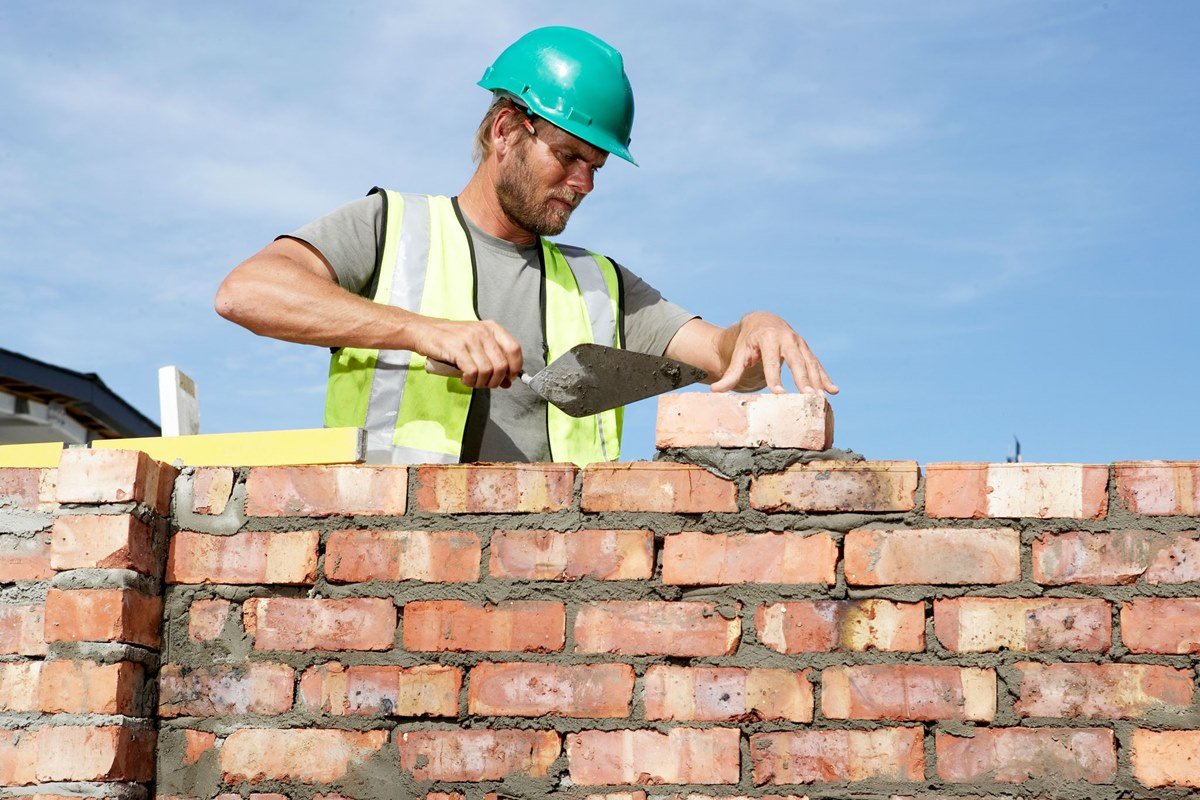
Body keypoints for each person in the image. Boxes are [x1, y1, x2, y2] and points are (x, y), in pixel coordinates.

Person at [215, 26, 837, 466]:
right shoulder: (392, 227)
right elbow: (246, 293)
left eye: (596, 166)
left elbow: (726, 359)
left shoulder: (602, 285)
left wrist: (755, 329)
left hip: (552, 600)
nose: (585, 183)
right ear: (507, 130)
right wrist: (420, 330)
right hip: (387, 575)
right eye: (569, 157)